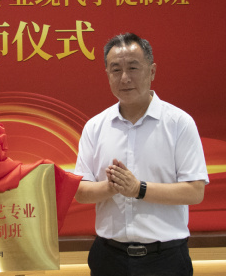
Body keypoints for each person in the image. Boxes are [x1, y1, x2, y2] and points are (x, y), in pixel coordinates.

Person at [74, 33, 209, 276]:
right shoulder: (95, 127)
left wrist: (139, 189)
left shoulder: (179, 123)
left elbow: (194, 191)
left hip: (165, 259)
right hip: (108, 258)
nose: (124, 78)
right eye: (116, 69)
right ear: (107, 74)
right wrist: (112, 187)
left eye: (133, 68)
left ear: (152, 71)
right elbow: (81, 192)